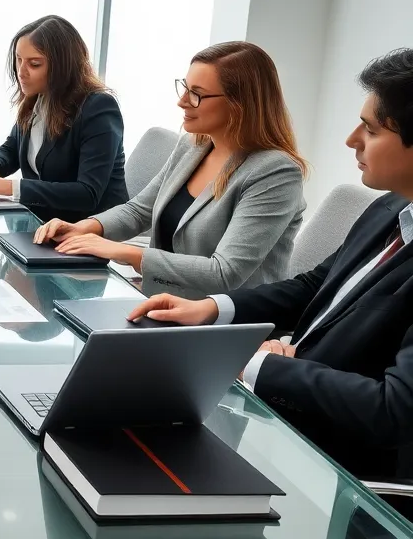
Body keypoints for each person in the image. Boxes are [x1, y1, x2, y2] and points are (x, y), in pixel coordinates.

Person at [127, 49, 413, 481]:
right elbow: (316, 285)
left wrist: (261, 363)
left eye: (370, 130)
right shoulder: (390, 208)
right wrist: (212, 309)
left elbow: (393, 410)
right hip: (291, 412)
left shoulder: (275, 171)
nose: (351, 140)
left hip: (342, 470)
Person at [33, 41, 307, 299]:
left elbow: (225, 273)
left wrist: (125, 252)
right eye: (185, 88)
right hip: (164, 303)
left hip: (224, 323)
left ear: (240, 105)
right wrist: (84, 228)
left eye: (197, 94)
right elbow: (140, 209)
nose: (182, 101)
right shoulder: (194, 146)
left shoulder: (275, 173)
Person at [0, 15, 128, 223]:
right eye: (18, 60)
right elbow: (12, 148)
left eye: (34, 64)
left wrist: (8, 187)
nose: (21, 72)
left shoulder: (98, 108)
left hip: (93, 230)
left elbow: (87, 193)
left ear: (63, 67)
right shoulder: (38, 98)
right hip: (46, 221)